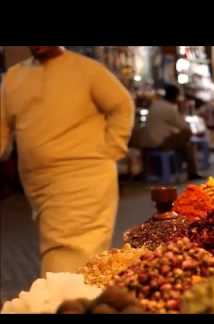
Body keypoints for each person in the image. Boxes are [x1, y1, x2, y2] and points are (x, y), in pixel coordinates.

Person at [0, 46, 134, 276]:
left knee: (68, 258)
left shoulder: (87, 70)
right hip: (39, 187)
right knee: (64, 256)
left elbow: (122, 107)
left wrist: (110, 149)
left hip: (84, 179)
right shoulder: (14, 77)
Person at [138, 84, 203, 180]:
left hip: (148, 141)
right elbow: (184, 126)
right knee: (187, 135)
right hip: (159, 143)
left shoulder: (155, 104)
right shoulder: (169, 108)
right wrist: (181, 109)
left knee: (185, 143)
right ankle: (192, 171)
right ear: (175, 96)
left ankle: (187, 170)